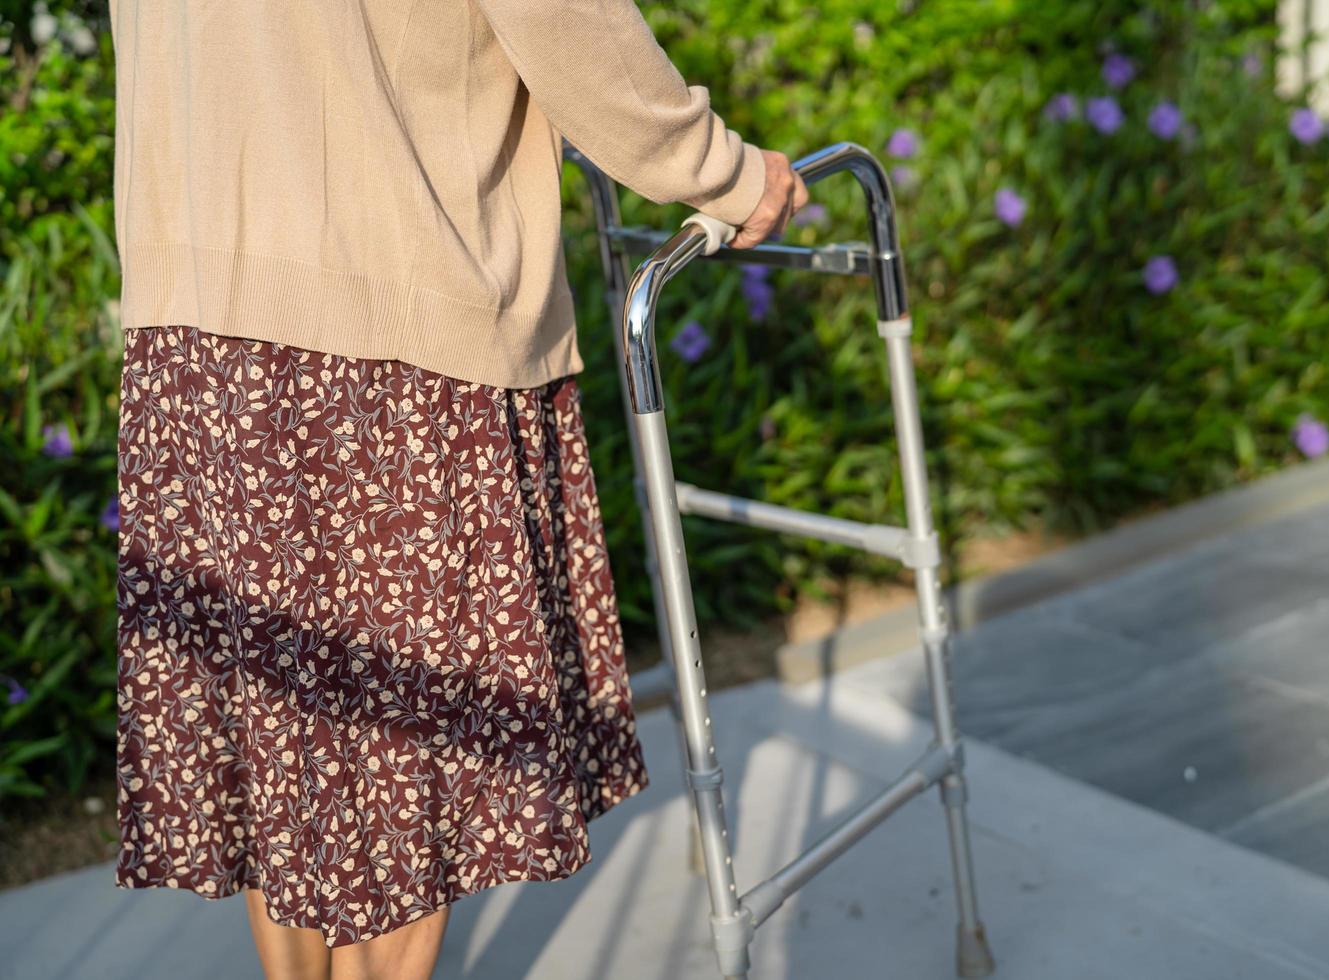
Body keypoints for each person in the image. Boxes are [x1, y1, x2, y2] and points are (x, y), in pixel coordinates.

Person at [106, 1, 808, 977]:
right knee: (407, 762)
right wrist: (724, 172)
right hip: (387, 318)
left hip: (190, 330)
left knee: (291, 743)